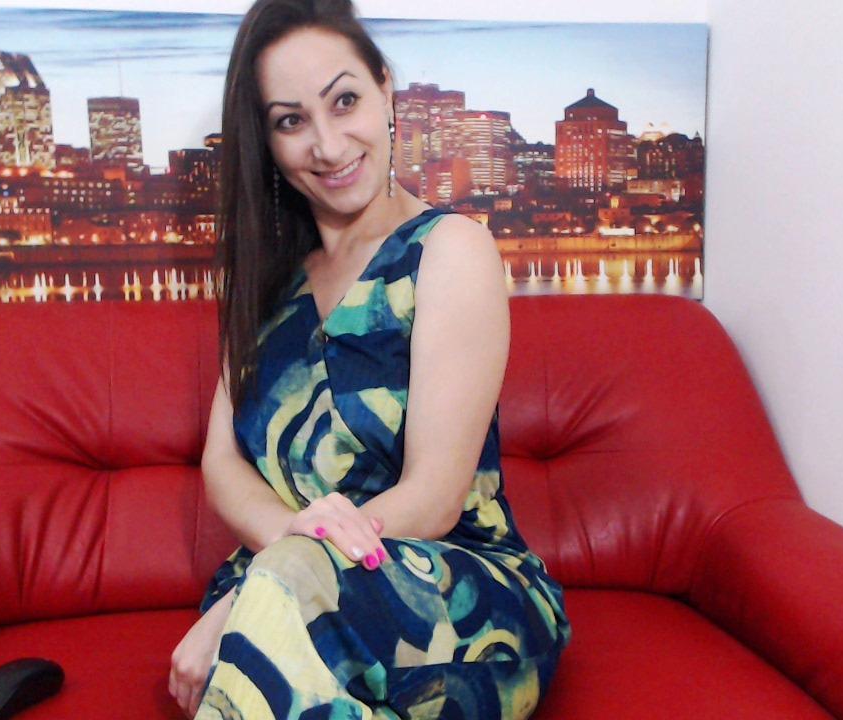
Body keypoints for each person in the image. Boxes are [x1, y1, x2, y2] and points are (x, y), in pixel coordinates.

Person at [168, 0, 571, 717]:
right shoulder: (263, 277)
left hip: (454, 598)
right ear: (266, 139)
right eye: (291, 121)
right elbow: (222, 463)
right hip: (288, 589)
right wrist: (279, 562)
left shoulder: (449, 250)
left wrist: (263, 588)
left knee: (268, 639)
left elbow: (434, 498)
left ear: (385, 89)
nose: (328, 145)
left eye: (345, 101)